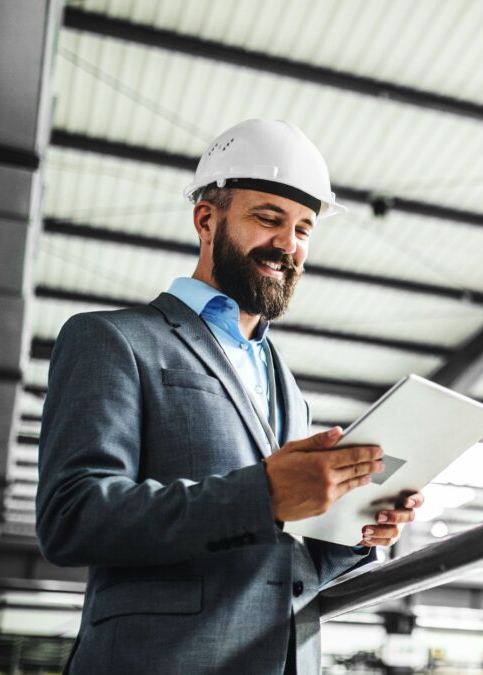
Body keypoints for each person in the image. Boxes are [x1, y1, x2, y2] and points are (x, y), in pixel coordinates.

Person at [35, 119, 423, 674]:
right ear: (206, 219)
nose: (288, 244)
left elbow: (283, 559)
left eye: (304, 229)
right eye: (268, 219)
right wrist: (262, 494)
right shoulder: (112, 339)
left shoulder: (283, 381)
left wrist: (354, 531)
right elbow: (72, 516)